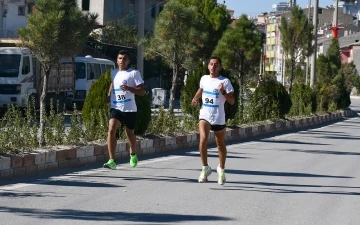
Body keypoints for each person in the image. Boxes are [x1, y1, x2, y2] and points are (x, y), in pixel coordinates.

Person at [191, 56, 235, 185]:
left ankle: (221, 169)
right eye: (211, 64)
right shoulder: (204, 79)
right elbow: (201, 89)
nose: (213, 66)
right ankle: (205, 168)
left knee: (220, 144)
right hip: (205, 115)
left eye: (216, 64)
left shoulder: (225, 81)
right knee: (203, 139)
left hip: (218, 117)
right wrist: (195, 98)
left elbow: (232, 101)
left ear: (220, 67)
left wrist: (223, 92)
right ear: (208, 66)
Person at [103, 50, 145, 169]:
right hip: (116, 106)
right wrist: (109, 95)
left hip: (129, 108)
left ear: (129, 61)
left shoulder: (133, 73)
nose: (122, 61)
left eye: (125, 58)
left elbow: (142, 91)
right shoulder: (114, 73)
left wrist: (129, 88)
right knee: (111, 130)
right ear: (117, 60)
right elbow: (113, 84)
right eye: (120, 58)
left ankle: (133, 153)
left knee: (130, 133)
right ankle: (112, 160)